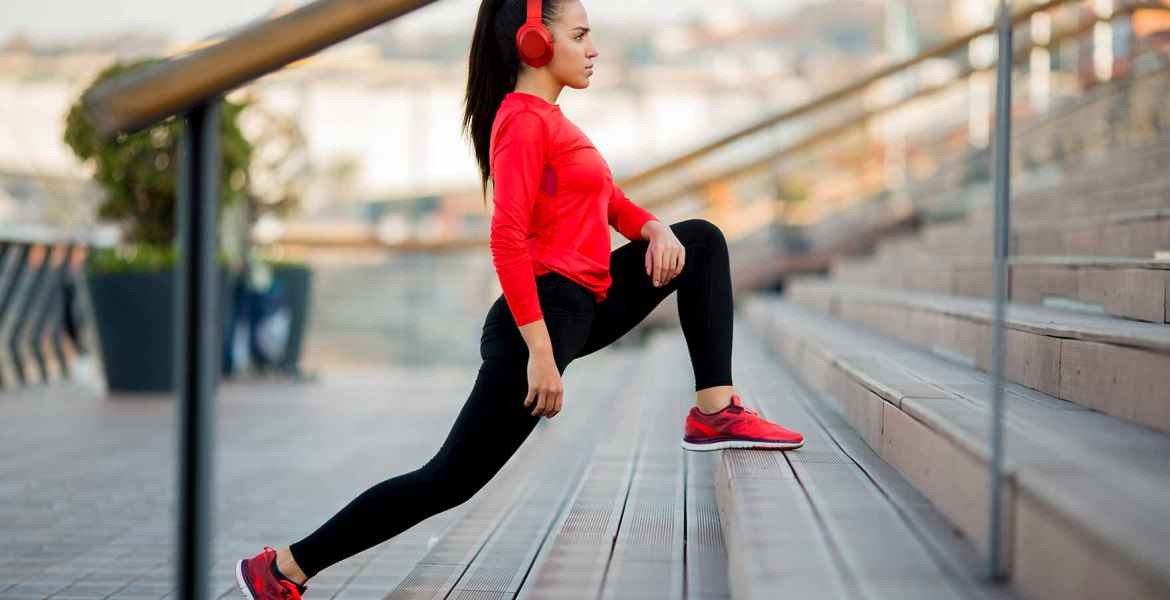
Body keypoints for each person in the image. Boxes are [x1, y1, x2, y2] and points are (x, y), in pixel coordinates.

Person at [235, 1, 804, 598]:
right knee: (447, 481)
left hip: (582, 306)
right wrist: (539, 351)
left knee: (700, 243)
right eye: (580, 36)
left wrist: (656, 229)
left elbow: (611, 203)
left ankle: (715, 411)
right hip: (539, 320)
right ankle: (284, 568)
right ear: (535, 43)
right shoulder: (522, 121)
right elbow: (505, 238)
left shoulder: (556, 123)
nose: (593, 49)